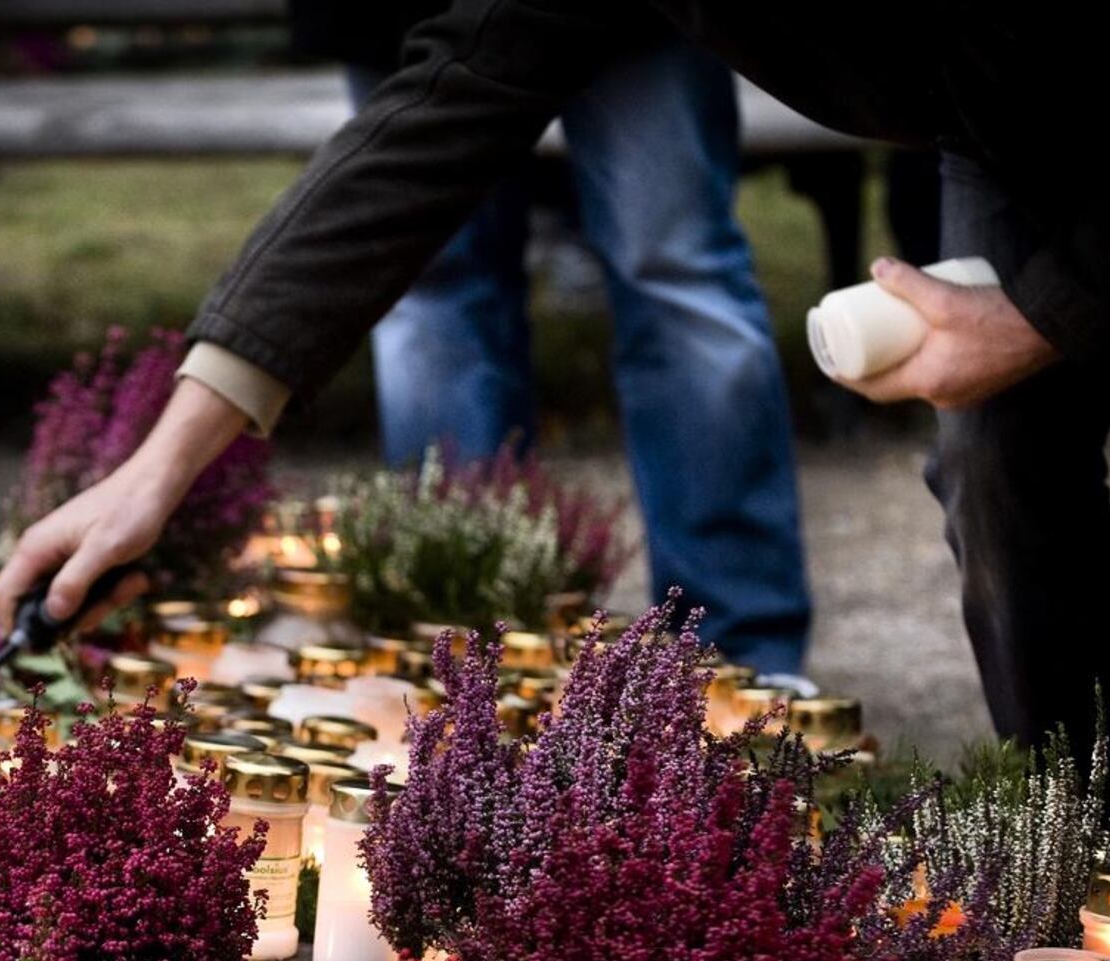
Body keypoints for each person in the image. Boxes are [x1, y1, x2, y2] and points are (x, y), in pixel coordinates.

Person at [0, 0, 1110, 808]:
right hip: (1006, 116)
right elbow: (438, 115)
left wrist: (1043, 314)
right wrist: (160, 463)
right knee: (1004, 453)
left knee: (1024, 397)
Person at [293, 1, 810, 678]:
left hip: (640, 8)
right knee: (436, 281)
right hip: (406, 10)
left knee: (674, 265)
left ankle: (736, 659)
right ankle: (468, 650)